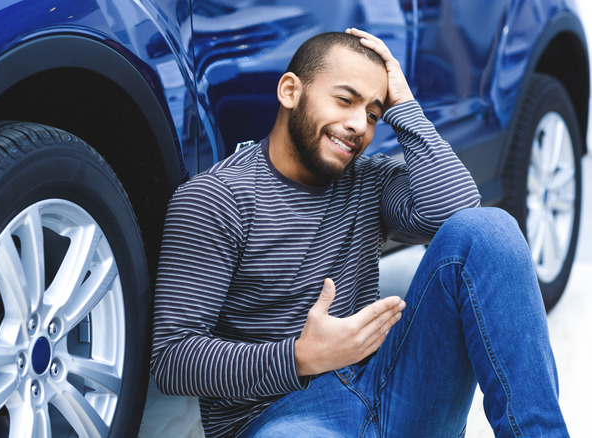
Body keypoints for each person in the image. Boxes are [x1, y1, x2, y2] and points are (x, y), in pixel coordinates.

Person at [150, 28, 567, 437]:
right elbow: (172, 359)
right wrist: (300, 357)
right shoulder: (216, 199)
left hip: (393, 390)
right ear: (290, 91)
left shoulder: (368, 180)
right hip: (279, 416)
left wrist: (403, 103)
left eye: (372, 114)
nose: (357, 126)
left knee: (490, 228)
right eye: (345, 100)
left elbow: (459, 215)